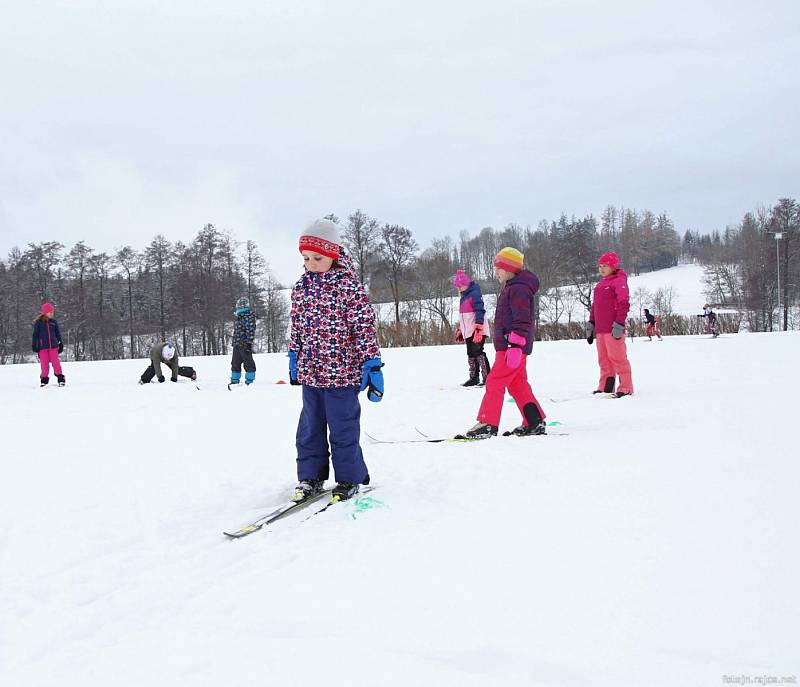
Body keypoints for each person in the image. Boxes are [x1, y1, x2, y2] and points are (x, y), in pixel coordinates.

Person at [288, 219, 383, 503]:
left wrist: (371, 363)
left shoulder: (348, 287)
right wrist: (295, 354)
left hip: (342, 373)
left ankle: (348, 478)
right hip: (312, 372)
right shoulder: (301, 286)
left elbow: (364, 326)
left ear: (333, 254)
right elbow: (297, 325)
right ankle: (310, 477)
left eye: (318, 257)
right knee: (310, 428)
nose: (311, 263)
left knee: (343, 428)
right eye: (306, 258)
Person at [461, 247, 547, 438]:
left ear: (509, 268)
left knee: (495, 381)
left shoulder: (518, 289)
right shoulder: (513, 287)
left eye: (498, 267)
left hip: (512, 347)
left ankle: (488, 422)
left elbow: (522, 319)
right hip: (511, 347)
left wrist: (515, 345)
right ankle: (534, 420)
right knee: (518, 384)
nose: (496, 271)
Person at [586, 251, 634, 397]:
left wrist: (619, 323)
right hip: (600, 330)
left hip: (613, 328)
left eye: (605, 266)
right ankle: (606, 386)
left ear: (613, 266)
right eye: (600, 266)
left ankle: (626, 387)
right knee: (604, 360)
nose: (601, 269)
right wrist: (591, 323)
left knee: (618, 358)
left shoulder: (619, 281)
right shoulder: (600, 285)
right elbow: (595, 306)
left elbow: (623, 303)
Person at [453, 269, 491, 386]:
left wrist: (479, 328)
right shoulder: (463, 297)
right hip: (468, 331)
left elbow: (480, 310)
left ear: (467, 284)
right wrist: (461, 329)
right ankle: (474, 378)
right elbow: (464, 317)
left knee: (478, 351)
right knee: (470, 353)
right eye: (457, 287)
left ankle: (487, 377)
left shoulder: (474, 294)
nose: (459, 289)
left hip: (477, 330)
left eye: (461, 286)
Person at [32, 302, 65, 387]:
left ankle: (60, 378)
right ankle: (44, 380)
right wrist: (34, 344)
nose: (51, 313)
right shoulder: (38, 323)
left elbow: (58, 334)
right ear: (45, 312)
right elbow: (35, 335)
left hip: (53, 347)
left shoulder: (53, 322)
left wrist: (60, 343)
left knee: (56, 363)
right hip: (42, 348)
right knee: (44, 364)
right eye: (50, 312)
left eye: (52, 312)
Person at [230, 296, 257, 386]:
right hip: (237, 344)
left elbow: (250, 331)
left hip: (245, 344)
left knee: (248, 363)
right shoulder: (240, 317)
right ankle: (234, 380)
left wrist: (249, 343)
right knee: (235, 363)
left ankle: (249, 381)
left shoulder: (249, 317)